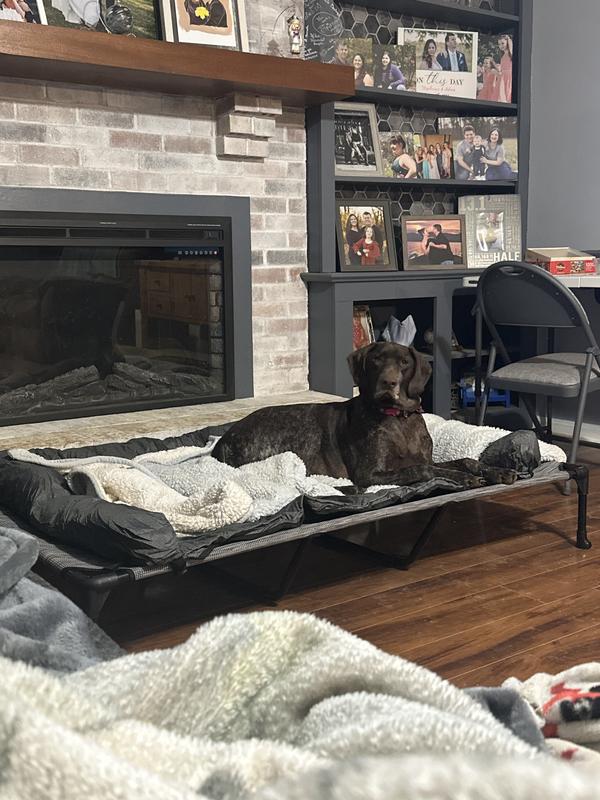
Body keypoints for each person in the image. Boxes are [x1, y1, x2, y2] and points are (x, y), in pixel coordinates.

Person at [497, 34, 513, 102]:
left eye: (503, 43)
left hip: (509, 77)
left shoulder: (511, 54)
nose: (501, 46)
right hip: (503, 78)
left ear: (508, 42)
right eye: (499, 44)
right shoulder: (503, 56)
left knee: (508, 93)